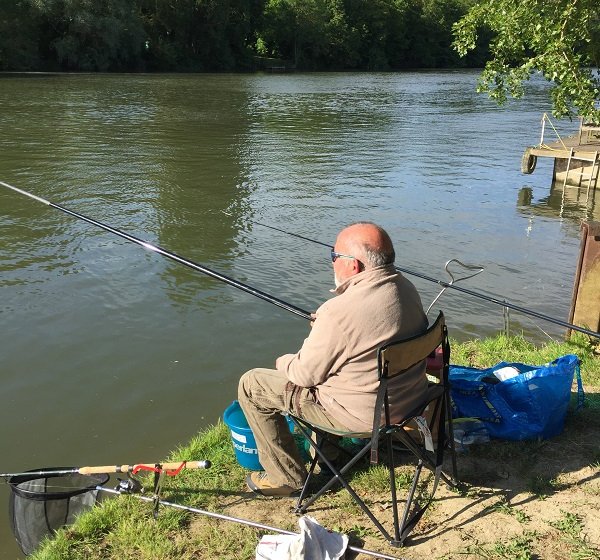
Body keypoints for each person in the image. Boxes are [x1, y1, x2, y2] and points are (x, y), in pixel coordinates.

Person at [238, 222, 428, 496]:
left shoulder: (337, 312)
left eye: (334, 257)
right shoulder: (406, 288)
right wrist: (326, 327)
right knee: (336, 371)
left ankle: (286, 478)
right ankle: (331, 456)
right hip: (411, 402)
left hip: (363, 417)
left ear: (353, 265)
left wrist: (284, 360)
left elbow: (304, 374)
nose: (332, 263)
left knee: (252, 383)